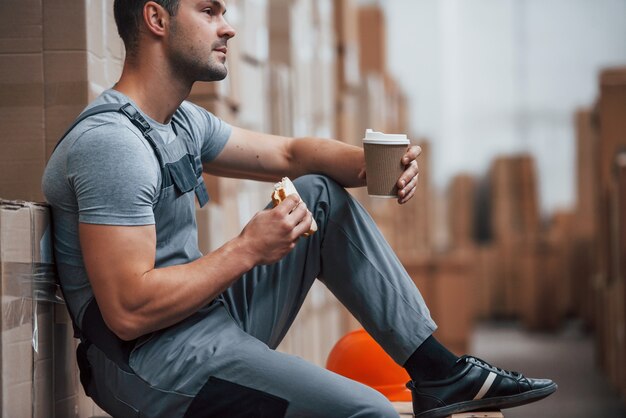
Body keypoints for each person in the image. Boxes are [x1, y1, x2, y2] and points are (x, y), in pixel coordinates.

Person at [42, 1, 557, 417]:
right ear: (157, 19)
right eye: (211, 11)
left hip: (200, 320)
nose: (229, 28)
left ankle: (439, 373)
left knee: (318, 194)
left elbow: (290, 155)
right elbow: (129, 312)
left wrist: (371, 163)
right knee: (368, 413)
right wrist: (247, 248)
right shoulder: (113, 145)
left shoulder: (179, 124)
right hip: (147, 363)